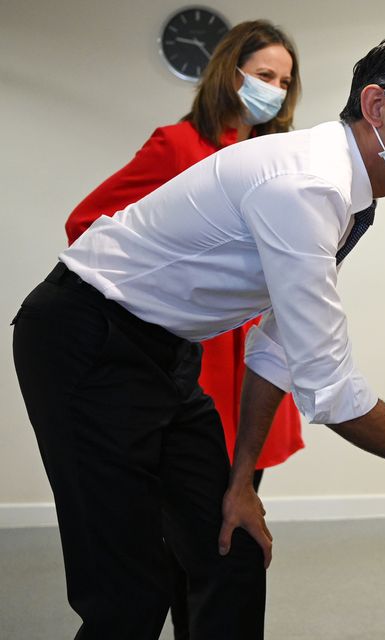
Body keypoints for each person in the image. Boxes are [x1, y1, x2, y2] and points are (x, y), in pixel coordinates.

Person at [12, 36, 385, 640]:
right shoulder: (308, 184)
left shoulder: (349, 196)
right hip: (86, 340)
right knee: (129, 592)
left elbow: (276, 342)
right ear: (377, 106)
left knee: (234, 546)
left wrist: (243, 482)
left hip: (165, 352)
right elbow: (331, 393)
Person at [64, 23, 304, 636]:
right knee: (175, 537)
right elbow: (86, 223)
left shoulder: (273, 160)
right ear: (230, 71)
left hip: (246, 363)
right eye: (263, 76)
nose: (273, 90)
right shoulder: (178, 144)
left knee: (233, 518)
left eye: (284, 81)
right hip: (181, 367)